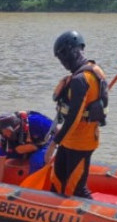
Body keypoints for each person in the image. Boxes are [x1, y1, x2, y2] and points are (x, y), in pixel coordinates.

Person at [45, 30, 108, 198]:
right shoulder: (94, 70)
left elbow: (74, 118)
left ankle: (96, 216)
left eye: (61, 57)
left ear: (69, 52)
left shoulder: (81, 79)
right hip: (70, 140)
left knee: (76, 189)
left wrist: (53, 144)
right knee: (57, 183)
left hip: (81, 142)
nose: (62, 63)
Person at [0, 111, 53, 181]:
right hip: (18, 148)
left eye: (8, 131)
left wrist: (35, 147)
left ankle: (32, 188)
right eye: (3, 131)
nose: (6, 134)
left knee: (36, 160)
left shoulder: (36, 122)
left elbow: (55, 132)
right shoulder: (4, 135)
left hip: (42, 145)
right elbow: (1, 160)